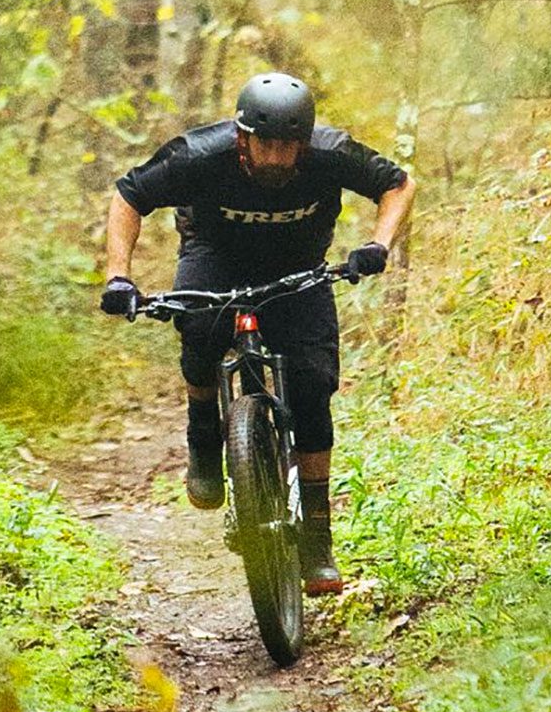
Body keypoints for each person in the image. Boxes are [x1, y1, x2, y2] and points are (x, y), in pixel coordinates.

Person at [98, 72, 415, 595]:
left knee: (313, 386)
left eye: (287, 148)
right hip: (214, 257)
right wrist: (118, 275)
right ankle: (204, 430)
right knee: (199, 334)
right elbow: (128, 197)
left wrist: (378, 244)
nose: (274, 158)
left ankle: (317, 539)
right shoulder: (198, 155)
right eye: (264, 144)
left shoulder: (331, 152)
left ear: (304, 143)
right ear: (242, 137)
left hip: (300, 267)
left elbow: (398, 184)